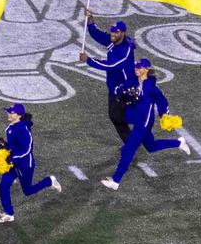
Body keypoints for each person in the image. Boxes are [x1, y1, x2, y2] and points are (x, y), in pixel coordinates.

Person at [101, 59, 190, 190]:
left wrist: (164, 115)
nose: (136, 69)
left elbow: (162, 102)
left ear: (146, 70)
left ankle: (115, 180)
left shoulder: (151, 87)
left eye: (139, 67)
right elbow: (120, 92)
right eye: (136, 66)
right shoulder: (133, 81)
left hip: (144, 122)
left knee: (128, 149)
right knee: (151, 146)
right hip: (136, 119)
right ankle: (178, 143)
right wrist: (122, 92)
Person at [0, 104, 61, 223]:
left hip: (25, 165)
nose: (9, 114)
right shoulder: (11, 126)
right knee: (4, 184)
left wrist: (12, 157)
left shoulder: (23, 129)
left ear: (19, 115)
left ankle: (49, 181)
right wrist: (2, 146)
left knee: (28, 191)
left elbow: (27, 148)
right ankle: (9, 213)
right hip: (13, 163)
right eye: (9, 112)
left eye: (12, 113)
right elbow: (14, 145)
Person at [79, 11, 137, 143]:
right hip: (114, 86)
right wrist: (91, 20)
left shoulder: (125, 50)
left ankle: (133, 140)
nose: (112, 34)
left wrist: (89, 60)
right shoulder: (113, 41)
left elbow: (112, 65)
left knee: (118, 116)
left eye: (116, 32)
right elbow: (97, 35)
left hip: (124, 88)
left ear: (123, 33)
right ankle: (132, 140)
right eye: (112, 31)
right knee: (115, 116)